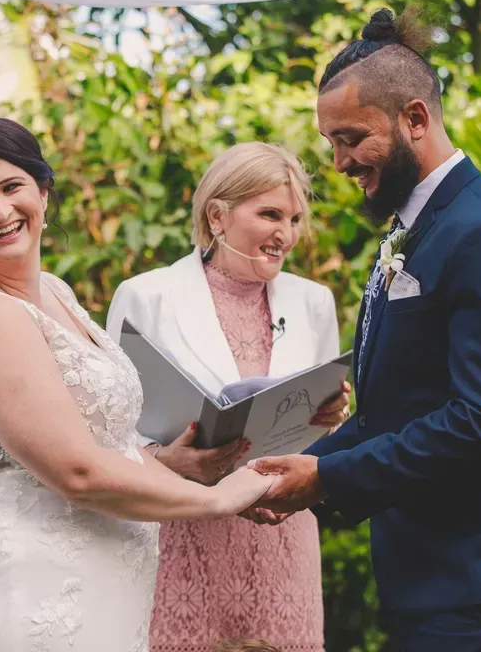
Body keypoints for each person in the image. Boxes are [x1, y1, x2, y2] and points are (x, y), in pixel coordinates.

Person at [243, 9, 481, 651]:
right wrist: (299, 471)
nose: (338, 162)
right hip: (439, 568)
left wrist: (326, 479)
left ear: (415, 118)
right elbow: (401, 406)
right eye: (331, 143)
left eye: (350, 138)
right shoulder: (416, 225)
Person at [0, 117, 276, 652]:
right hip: (31, 600)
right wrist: (218, 500)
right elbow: (76, 471)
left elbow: (103, 444)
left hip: (98, 588)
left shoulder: (53, 292)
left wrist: (178, 468)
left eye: (12, 187)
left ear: (43, 191)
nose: (0, 211)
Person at [106, 142, 349, 652]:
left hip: (281, 530)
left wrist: (332, 415)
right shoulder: (144, 297)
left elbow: (323, 433)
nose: (286, 233)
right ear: (217, 214)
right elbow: (109, 433)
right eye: (269, 214)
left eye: (295, 218)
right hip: (184, 533)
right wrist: (161, 458)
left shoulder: (314, 302)